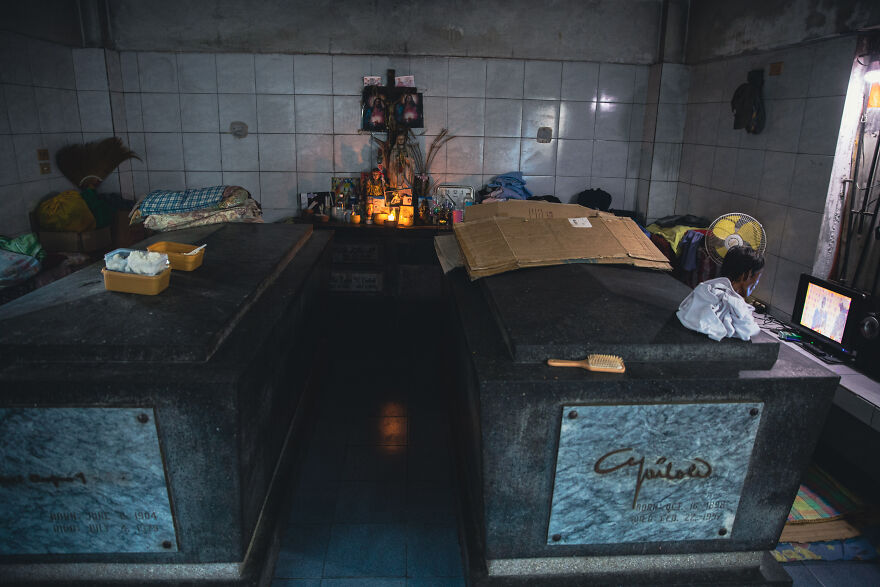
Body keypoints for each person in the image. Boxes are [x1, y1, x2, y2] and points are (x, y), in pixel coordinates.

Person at [676, 245, 765, 341]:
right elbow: (748, 330)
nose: (756, 283)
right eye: (758, 277)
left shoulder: (705, 289)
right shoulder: (734, 307)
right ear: (746, 275)